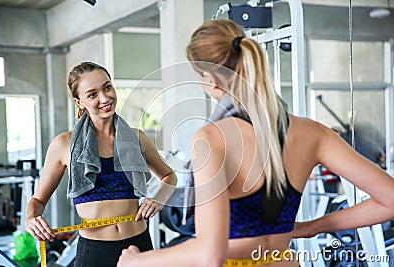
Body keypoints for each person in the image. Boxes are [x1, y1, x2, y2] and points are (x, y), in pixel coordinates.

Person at [117, 19, 394, 267]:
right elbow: (390, 200)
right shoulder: (314, 133)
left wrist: (139, 261)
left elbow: (209, 255)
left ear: (210, 80)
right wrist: (314, 227)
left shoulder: (212, 138)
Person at [24, 61, 177, 267]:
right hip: (95, 251)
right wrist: (30, 218)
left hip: (138, 244)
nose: (105, 98)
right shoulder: (64, 144)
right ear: (79, 102)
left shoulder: (137, 138)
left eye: (107, 87)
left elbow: (169, 176)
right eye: (92, 94)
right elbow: (38, 200)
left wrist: (159, 199)